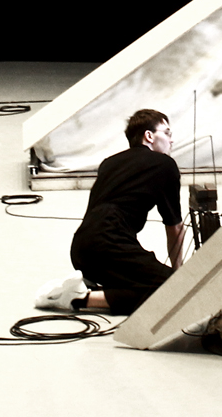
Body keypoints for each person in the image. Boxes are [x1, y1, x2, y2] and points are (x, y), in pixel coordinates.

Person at [35, 109, 187, 316]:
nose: (171, 141)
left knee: (146, 282)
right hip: (109, 244)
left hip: (81, 249)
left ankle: (84, 289)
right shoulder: (165, 165)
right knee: (173, 290)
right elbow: (175, 226)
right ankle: (78, 298)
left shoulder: (110, 163)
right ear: (149, 136)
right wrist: (179, 275)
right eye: (167, 133)